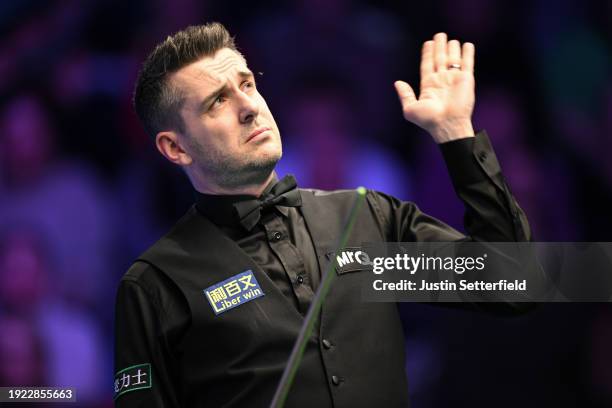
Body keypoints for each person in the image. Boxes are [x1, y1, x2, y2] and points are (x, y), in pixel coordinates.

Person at [114, 22, 530, 407]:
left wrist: (456, 134)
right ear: (176, 148)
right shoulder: (158, 284)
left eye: (247, 84)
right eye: (218, 101)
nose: (249, 107)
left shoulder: (367, 216)